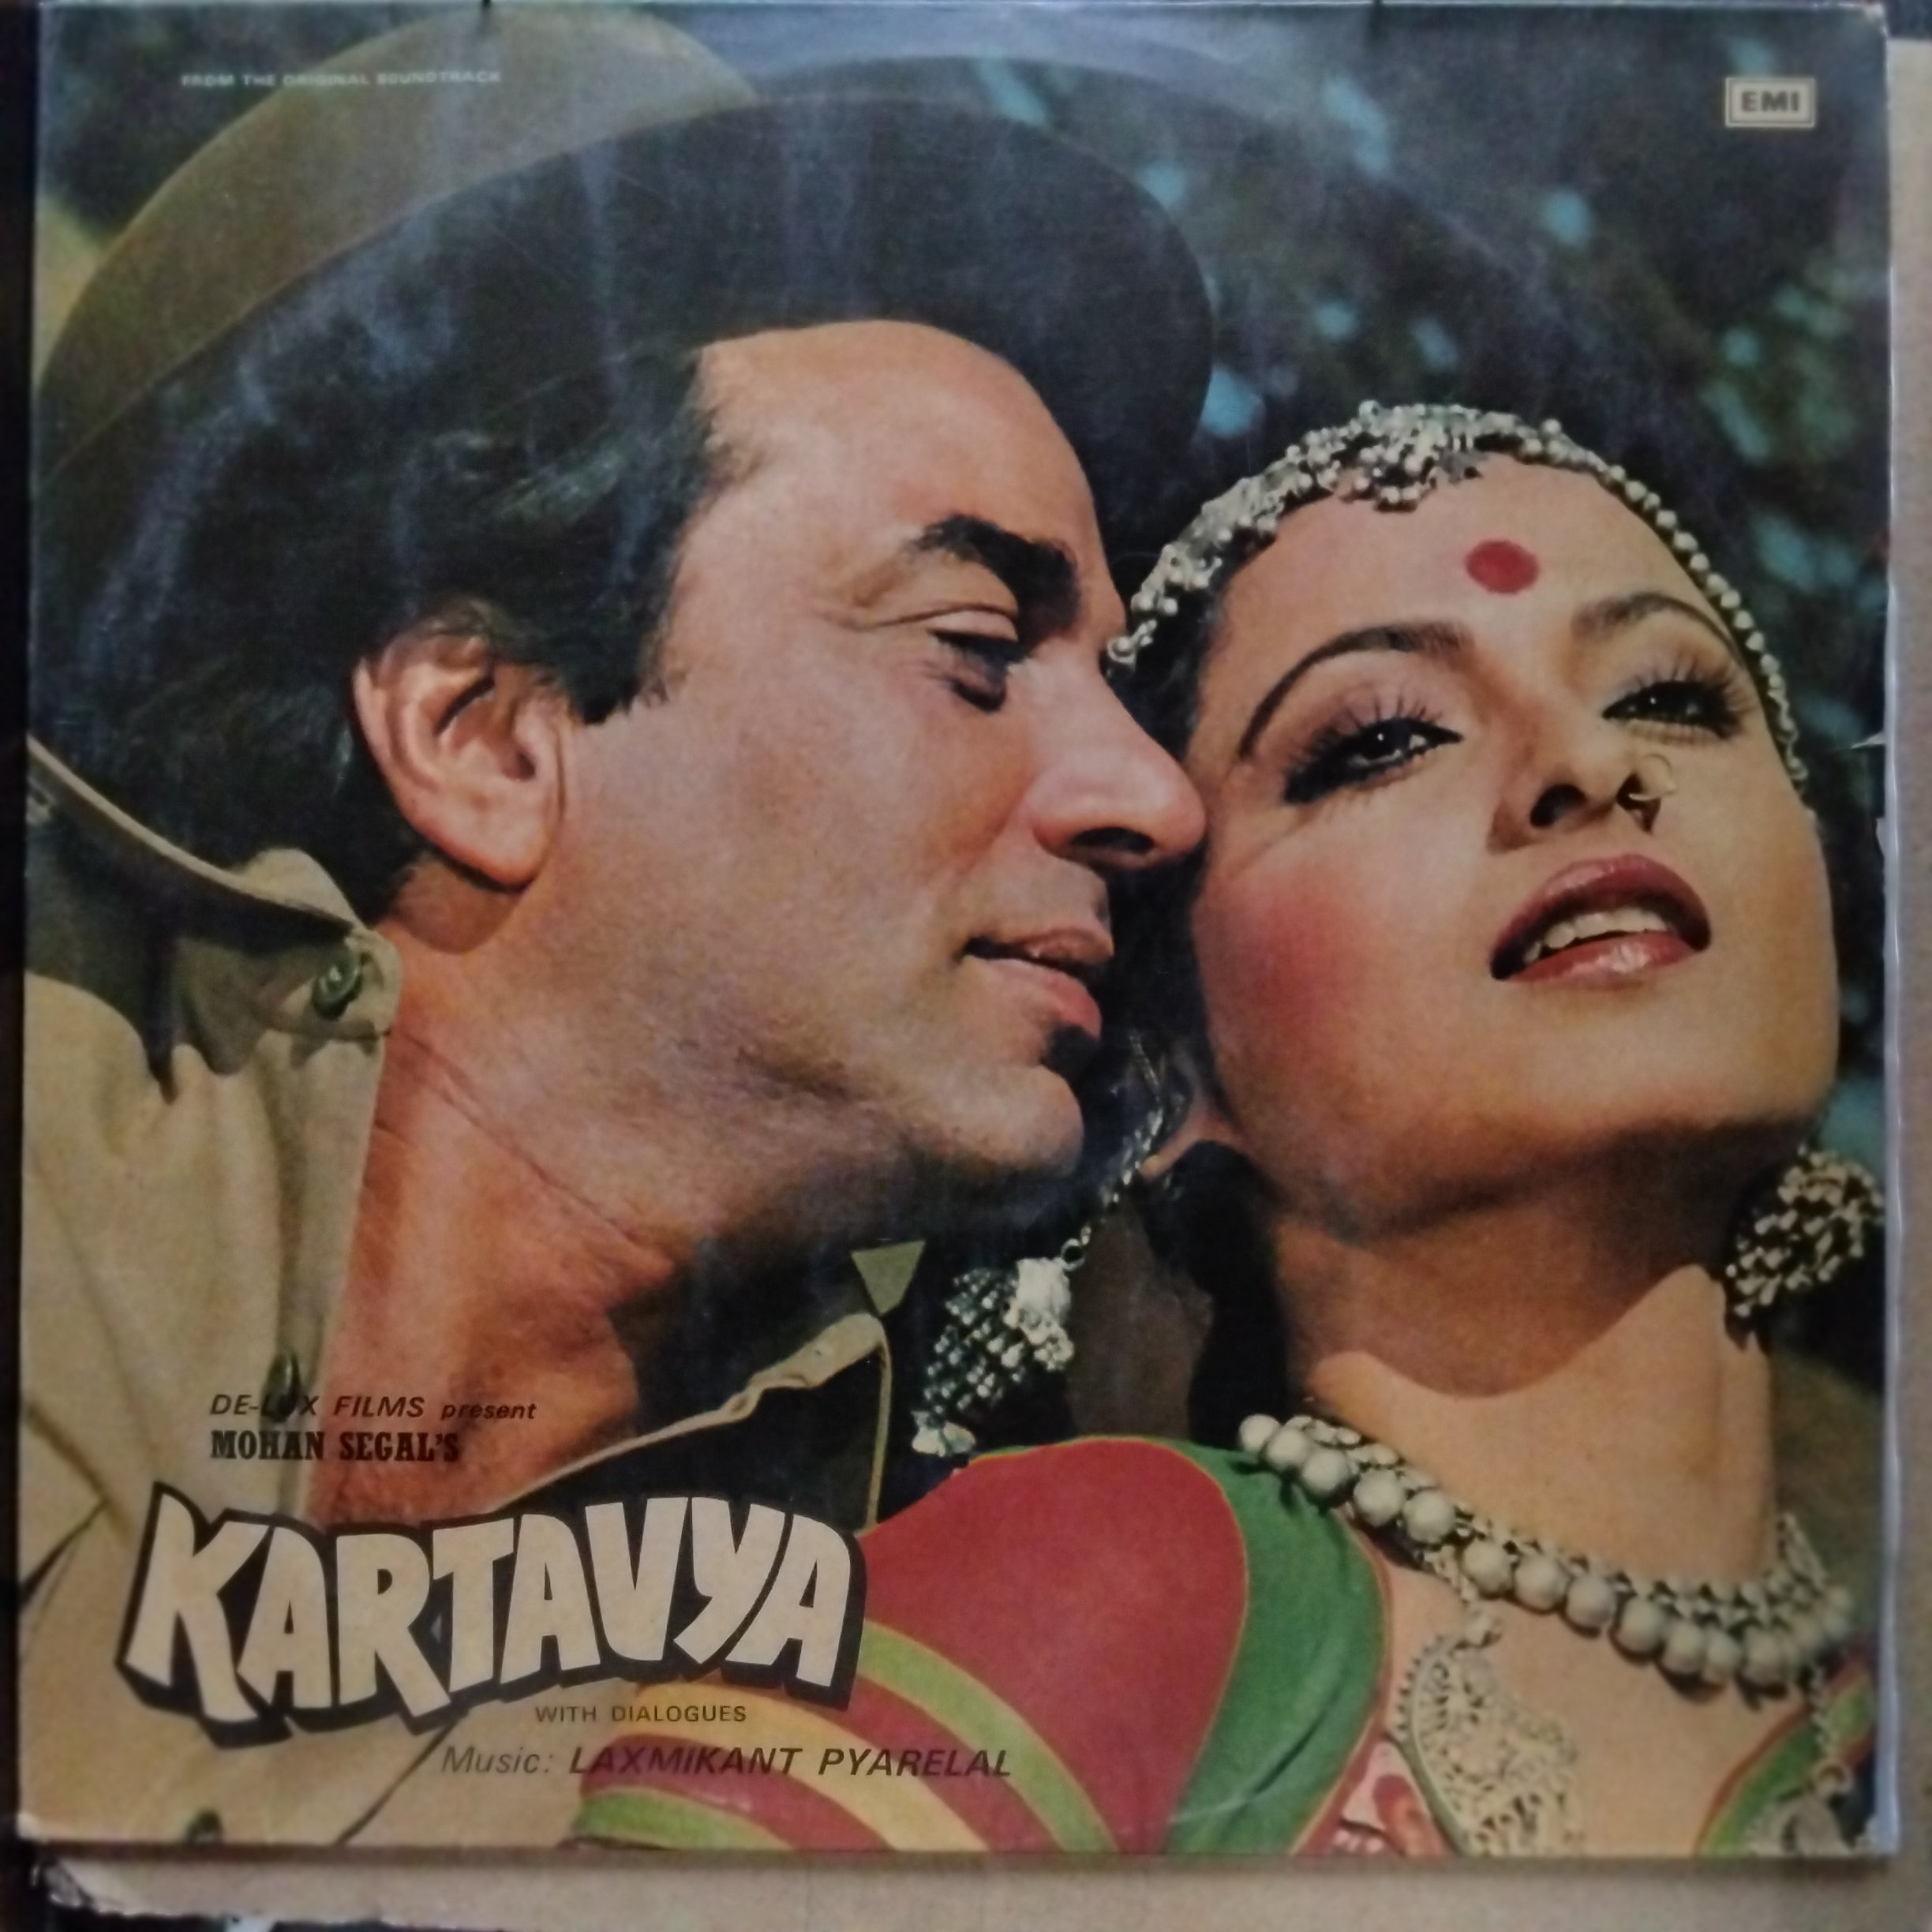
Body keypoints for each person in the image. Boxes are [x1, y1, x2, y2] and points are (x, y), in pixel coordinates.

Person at [20, 10, 1212, 1843]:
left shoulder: (967, 1543)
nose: (1154, 796)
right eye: (978, 651)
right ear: (484, 738)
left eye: (1110, 680)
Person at [581, 404, 1881, 1856]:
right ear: (1168, 1064)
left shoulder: (1874, 1698)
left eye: (1671, 698)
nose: (1586, 759)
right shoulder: (1105, 1587)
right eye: (1383, 739)